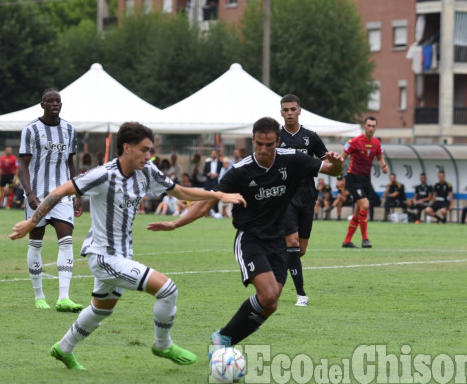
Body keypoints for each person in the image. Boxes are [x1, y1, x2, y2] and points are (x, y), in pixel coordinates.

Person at [10, 121, 246, 370]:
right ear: (126, 148)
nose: (149, 155)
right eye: (144, 149)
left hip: (122, 254)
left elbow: (179, 191)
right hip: (103, 257)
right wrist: (31, 222)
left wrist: (218, 195)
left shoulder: (148, 171)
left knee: (101, 310)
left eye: (150, 150)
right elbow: (60, 191)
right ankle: (162, 344)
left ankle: (63, 348)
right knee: (167, 289)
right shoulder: (103, 174)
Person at [147, 117, 343, 353]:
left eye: (269, 144)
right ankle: (223, 339)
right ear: (253, 140)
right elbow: (208, 201)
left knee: (271, 304)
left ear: (277, 142)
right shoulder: (240, 171)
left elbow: (333, 170)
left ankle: (224, 338)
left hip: (277, 240)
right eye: (258, 143)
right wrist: (176, 224)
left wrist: (338, 163)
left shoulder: (292, 160)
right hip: (250, 239)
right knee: (268, 293)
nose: (263, 149)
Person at [17, 88, 84, 312]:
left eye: (58, 101)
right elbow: (23, 165)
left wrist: (77, 193)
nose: (55, 104)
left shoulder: (70, 130)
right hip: (37, 196)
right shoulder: (31, 130)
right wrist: (29, 193)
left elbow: (71, 164)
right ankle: (39, 296)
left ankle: (63, 297)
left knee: (66, 241)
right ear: (42, 104)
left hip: (62, 195)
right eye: (50, 101)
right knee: (36, 243)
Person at [277, 94, 329, 306]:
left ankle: (276, 258)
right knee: (293, 242)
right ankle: (301, 294)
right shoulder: (275, 137)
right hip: (284, 197)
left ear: (299, 111)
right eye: (285, 109)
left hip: (307, 196)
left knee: (300, 249)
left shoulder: (311, 137)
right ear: (281, 112)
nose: (289, 113)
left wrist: (337, 164)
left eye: (292, 109)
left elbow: (328, 164)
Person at [341, 116, 388, 248]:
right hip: (353, 178)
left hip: (366, 180)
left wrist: (383, 166)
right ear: (364, 126)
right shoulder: (354, 142)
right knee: (365, 205)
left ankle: (347, 241)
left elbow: (380, 157)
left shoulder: (376, 143)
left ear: (376, 128)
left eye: (373, 126)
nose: (371, 128)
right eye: (369, 126)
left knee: (358, 211)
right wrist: (340, 177)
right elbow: (342, 158)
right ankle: (365, 239)